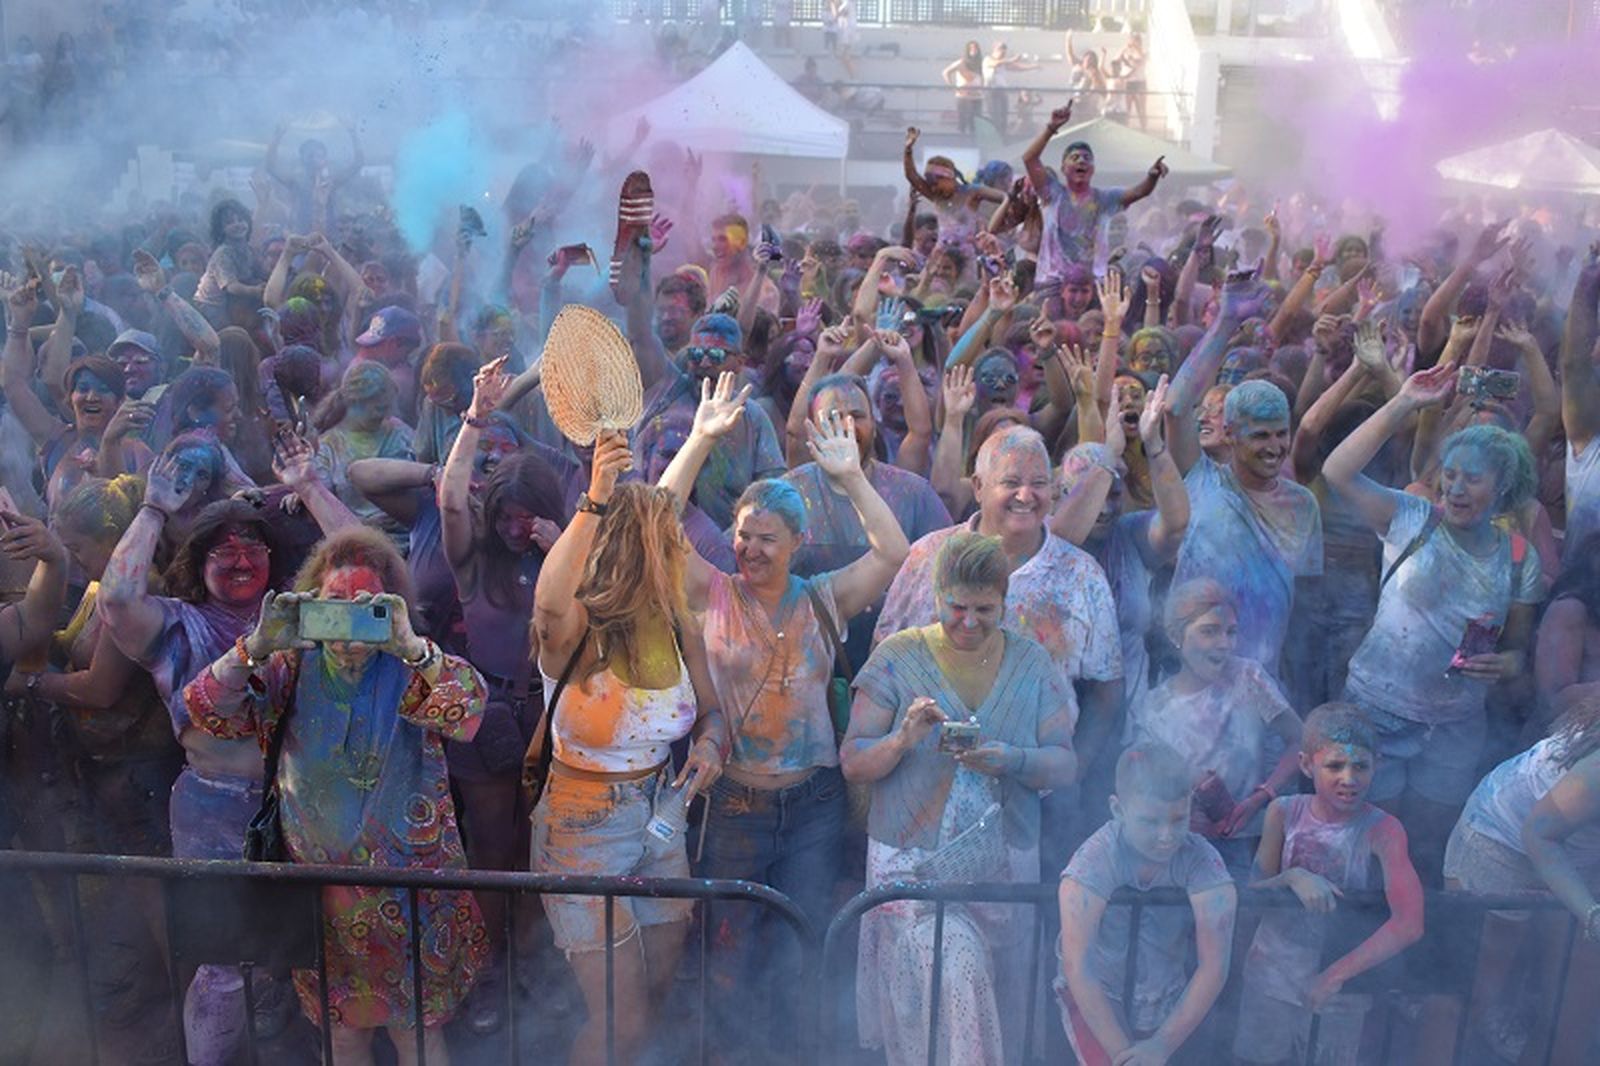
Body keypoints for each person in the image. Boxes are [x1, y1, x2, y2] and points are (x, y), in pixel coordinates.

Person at [659, 372, 909, 1056]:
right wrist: (701, 440)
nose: (750, 549)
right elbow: (657, 521)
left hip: (813, 805)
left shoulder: (824, 597)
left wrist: (853, 479)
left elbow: (892, 553)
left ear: (797, 542)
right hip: (735, 800)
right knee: (729, 955)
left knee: (803, 947)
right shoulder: (712, 593)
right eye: (743, 535)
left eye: (767, 538)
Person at [184, 527, 487, 1064]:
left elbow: (470, 712)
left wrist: (412, 647)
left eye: (365, 605)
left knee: (416, 1037)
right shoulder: (286, 667)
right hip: (321, 903)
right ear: (309, 605)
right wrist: (255, 645)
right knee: (343, 1038)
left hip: (411, 901)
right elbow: (205, 709)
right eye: (333, 604)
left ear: (391, 608)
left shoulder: (411, 669)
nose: (347, 621)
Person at [531, 430, 728, 1066]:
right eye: (670, 543)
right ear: (636, 553)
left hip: (662, 816)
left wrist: (711, 745)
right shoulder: (574, 631)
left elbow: (714, 712)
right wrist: (594, 497)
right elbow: (546, 600)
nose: (685, 553)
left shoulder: (678, 623)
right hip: (582, 825)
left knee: (656, 994)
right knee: (621, 1020)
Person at [843, 531, 1077, 1065]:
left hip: (1004, 867)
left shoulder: (1032, 663)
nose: (969, 622)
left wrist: (1011, 760)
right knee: (932, 995)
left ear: (1004, 601)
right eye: (957, 608)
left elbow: (1065, 763)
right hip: (912, 866)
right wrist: (903, 738)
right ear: (936, 595)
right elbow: (853, 761)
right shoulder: (897, 658)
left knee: (998, 997)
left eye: (984, 609)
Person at [1324, 365, 1543, 879]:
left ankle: (1413, 940)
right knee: (1362, 844)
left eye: (1472, 478)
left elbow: (1518, 652)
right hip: (1377, 711)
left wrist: (1503, 664)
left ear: (1503, 486)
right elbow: (1337, 472)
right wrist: (1403, 402)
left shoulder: (1518, 558)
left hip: (1454, 728)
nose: (1456, 488)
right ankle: (1359, 934)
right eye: (1450, 474)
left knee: (1423, 848)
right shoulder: (1411, 519)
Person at [876, 425, 1123, 803]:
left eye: (1038, 482)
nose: (1026, 495)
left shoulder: (1081, 575)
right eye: (1011, 481)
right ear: (978, 486)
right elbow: (883, 663)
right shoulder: (928, 558)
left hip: (1036, 796)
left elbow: (1106, 692)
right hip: (928, 789)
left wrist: (1073, 774)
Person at [437, 357, 566, 1032]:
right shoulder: (475, 559)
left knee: (542, 848)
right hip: (484, 713)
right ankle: (488, 975)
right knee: (489, 848)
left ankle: (536, 969)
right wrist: (476, 420)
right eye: (509, 515)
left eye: (530, 516)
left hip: (549, 712)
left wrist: (561, 547)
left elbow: (595, 609)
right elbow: (451, 500)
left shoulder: (564, 555)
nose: (518, 527)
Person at [1236, 704, 1425, 1066]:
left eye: (1360, 766)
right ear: (1307, 765)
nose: (1349, 779)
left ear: (1378, 765)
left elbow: (1410, 923)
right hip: (1271, 973)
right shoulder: (1283, 813)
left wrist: (1335, 975)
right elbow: (1252, 895)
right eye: (1335, 765)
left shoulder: (1383, 831)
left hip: (1341, 987)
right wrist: (1293, 877)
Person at [1166, 289, 1324, 675]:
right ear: (1230, 433)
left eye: (1280, 434)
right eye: (1260, 436)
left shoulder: (1303, 506)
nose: (1275, 448)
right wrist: (1225, 321)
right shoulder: (1202, 479)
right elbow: (1175, 407)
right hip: (1189, 676)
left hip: (1259, 679)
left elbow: (1306, 603)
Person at [1057, 742, 1237, 1066]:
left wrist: (1161, 1046)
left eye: (1179, 819)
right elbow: (1078, 967)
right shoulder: (1094, 861)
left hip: (1167, 998)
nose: (1167, 835)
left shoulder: (1200, 857)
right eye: (1151, 822)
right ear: (1117, 810)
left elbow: (1214, 966)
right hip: (1097, 995)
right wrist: (1122, 1056)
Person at [1440, 701, 1600, 1063]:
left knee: (1577, 998)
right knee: (1476, 989)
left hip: (1582, 853)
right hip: (1502, 840)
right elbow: (1540, 833)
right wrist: (1591, 914)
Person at [1129, 579, 1304, 870]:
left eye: (1231, 632)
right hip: (1180, 845)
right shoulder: (1154, 707)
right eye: (1209, 631)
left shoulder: (1248, 679)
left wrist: (1263, 795)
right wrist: (1185, 782)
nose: (1224, 644)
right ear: (1176, 635)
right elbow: (1143, 778)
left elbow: (1300, 741)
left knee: (1243, 909)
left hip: (1246, 839)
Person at [784, 370, 950, 666]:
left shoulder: (912, 493)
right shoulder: (785, 495)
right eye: (834, 417)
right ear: (812, 430)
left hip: (894, 665)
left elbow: (950, 572)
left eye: (857, 415)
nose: (847, 427)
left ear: (874, 423)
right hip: (804, 664)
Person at [1051, 373, 1188, 707]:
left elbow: (1176, 524)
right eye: (1092, 495)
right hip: (1060, 719)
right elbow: (1061, 544)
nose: (1104, 508)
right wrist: (1109, 454)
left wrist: (1153, 446)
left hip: (1129, 720)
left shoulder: (1128, 535)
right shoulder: (1043, 539)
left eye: (1113, 495)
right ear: (1058, 496)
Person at [1021, 104, 1167, 286]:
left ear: (1093, 169)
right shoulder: (1053, 193)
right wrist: (1051, 128)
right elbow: (1029, 159)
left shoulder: (1105, 199)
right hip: (1053, 283)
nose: (1082, 160)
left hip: (1091, 284)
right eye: (1075, 158)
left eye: (1087, 158)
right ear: (1063, 169)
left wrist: (1151, 177)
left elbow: (1139, 191)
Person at [193, 199, 265, 329]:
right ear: (220, 229)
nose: (237, 224)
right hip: (211, 305)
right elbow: (231, 286)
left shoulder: (247, 249)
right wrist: (254, 291)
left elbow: (260, 271)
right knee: (227, 334)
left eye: (240, 220)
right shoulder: (223, 253)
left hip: (232, 301)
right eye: (230, 222)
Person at [943, 41, 986, 136]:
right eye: (971, 48)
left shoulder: (981, 63)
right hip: (963, 96)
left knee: (976, 121)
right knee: (963, 121)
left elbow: (983, 78)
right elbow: (946, 72)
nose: (973, 50)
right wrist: (953, 87)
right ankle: (961, 141)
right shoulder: (961, 62)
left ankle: (974, 141)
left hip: (977, 97)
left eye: (975, 48)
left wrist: (982, 88)